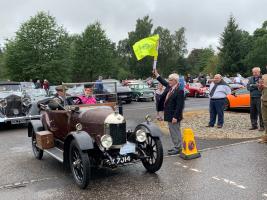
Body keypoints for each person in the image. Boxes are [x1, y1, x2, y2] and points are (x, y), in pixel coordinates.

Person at [153, 69, 185, 155]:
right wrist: (156, 74)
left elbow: (180, 106)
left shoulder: (179, 90)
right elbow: (162, 81)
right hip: (169, 114)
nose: (169, 81)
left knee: (175, 131)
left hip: (174, 116)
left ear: (175, 81)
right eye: (169, 79)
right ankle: (177, 146)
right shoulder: (170, 87)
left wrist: (175, 116)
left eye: (170, 80)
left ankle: (178, 147)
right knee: (172, 131)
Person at [258, 67, 267, 143]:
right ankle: (266, 137)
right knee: (265, 120)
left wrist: (266, 87)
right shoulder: (264, 76)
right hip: (264, 100)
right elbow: (260, 89)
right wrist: (260, 86)